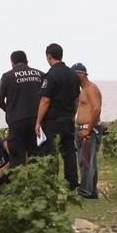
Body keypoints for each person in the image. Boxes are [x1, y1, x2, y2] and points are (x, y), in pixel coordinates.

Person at [35, 43, 81, 189]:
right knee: (69, 152)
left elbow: (45, 100)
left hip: (53, 120)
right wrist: (72, 115)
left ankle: (51, 184)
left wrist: (38, 122)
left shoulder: (51, 74)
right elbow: (76, 100)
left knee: (50, 152)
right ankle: (72, 183)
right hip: (68, 119)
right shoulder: (73, 75)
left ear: (49, 56)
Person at [0, 50, 43, 168]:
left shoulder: (7, 76)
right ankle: (37, 183)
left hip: (16, 121)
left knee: (17, 157)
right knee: (35, 156)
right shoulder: (40, 74)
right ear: (27, 61)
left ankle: (19, 184)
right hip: (36, 121)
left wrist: (9, 110)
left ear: (12, 62)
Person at [72, 63, 103, 199]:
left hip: (89, 130)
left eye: (74, 75)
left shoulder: (91, 88)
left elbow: (96, 109)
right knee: (89, 162)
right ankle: (92, 192)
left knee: (86, 162)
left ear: (82, 73)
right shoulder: (81, 90)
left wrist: (88, 130)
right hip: (81, 129)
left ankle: (84, 191)